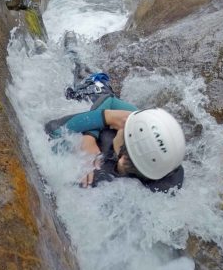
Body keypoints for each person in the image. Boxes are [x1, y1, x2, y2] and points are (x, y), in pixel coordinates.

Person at [45, 74, 186, 193]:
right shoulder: (165, 168)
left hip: (90, 95)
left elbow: (52, 130)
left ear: (122, 158)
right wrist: (90, 136)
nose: (123, 123)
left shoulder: (94, 174)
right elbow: (109, 100)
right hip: (101, 95)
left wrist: (106, 117)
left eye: (125, 127)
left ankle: (71, 53)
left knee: (83, 83)